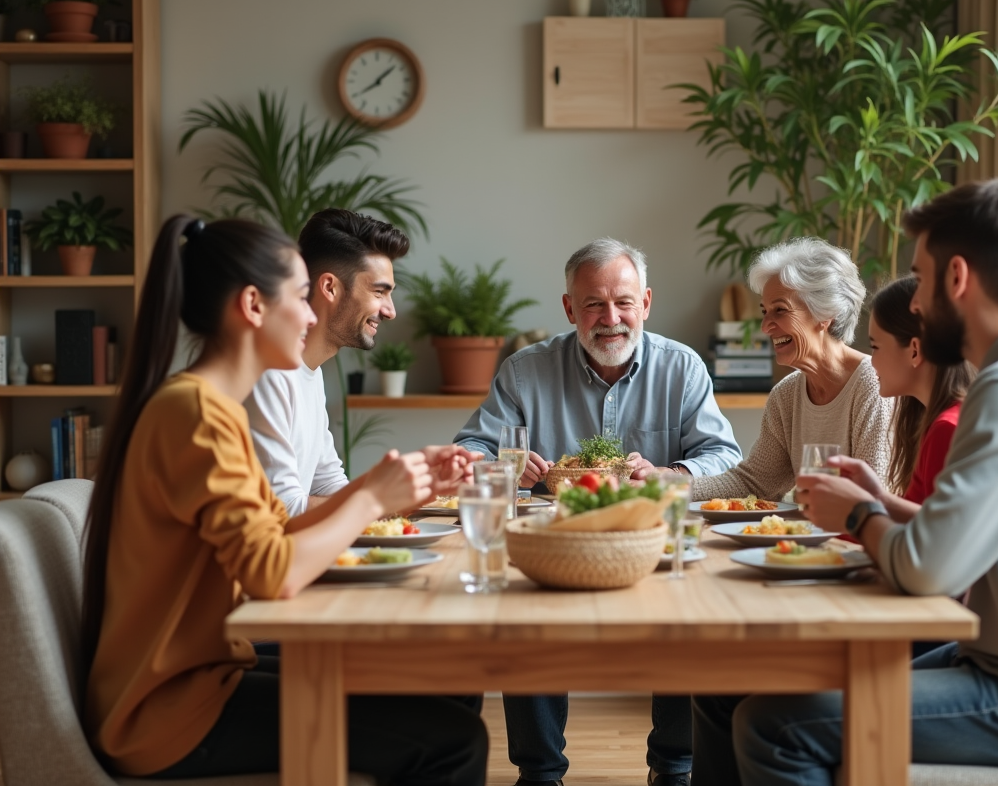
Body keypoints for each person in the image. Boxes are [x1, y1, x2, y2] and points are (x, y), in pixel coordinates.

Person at [692, 179, 998, 786]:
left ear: (956, 278)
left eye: (921, 278)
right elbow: (951, 535)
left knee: (775, 726)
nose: (913, 301)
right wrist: (878, 501)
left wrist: (858, 516)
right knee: (733, 692)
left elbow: (930, 569)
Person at [82, 216, 488, 785]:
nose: (308, 314)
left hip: (205, 673)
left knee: (444, 686)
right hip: (169, 710)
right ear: (253, 305)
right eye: (300, 296)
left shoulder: (210, 406)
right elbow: (272, 574)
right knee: (456, 740)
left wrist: (403, 488)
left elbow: (281, 530)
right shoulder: (197, 414)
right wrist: (373, 496)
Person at [454, 237, 742, 786]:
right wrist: (508, 467)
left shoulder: (683, 368)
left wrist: (670, 474)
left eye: (623, 302)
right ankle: (539, 772)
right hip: (553, 541)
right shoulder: (523, 371)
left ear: (647, 303)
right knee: (524, 616)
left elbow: (723, 454)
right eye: (593, 304)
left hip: (650, 537)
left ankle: (675, 766)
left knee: (688, 607)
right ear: (569, 309)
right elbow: (472, 449)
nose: (610, 318)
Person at [245, 208, 457, 514]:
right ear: (330, 287)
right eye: (379, 292)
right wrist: (384, 500)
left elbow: (328, 484)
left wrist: (416, 489)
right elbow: (282, 510)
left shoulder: (310, 374)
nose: (390, 311)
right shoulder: (270, 374)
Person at [691, 237, 893, 502]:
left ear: (824, 314)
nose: (765, 326)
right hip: (810, 538)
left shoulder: (873, 384)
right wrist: (667, 489)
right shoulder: (786, 395)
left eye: (780, 310)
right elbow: (754, 482)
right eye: (765, 311)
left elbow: (871, 498)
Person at [837, 275, 973, 523]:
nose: (871, 360)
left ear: (914, 350)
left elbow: (935, 535)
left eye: (875, 347)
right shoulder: (932, 421)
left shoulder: (947, 430)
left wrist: (865, 505)